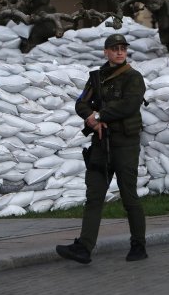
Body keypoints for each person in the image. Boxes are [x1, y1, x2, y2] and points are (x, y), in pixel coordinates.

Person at [56, 33, 148, 264]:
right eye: (114, 48)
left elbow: (129, 104)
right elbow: (81, 103)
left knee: (129, 197)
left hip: (125, 145)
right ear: (105, 52)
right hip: (100, 144)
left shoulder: (133, 78)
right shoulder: (96, 78)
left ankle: (139, 245)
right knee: (94, 196)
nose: (119, 52)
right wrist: (92, 119)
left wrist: (101, 114)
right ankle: (84, 248)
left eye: (123, 49)